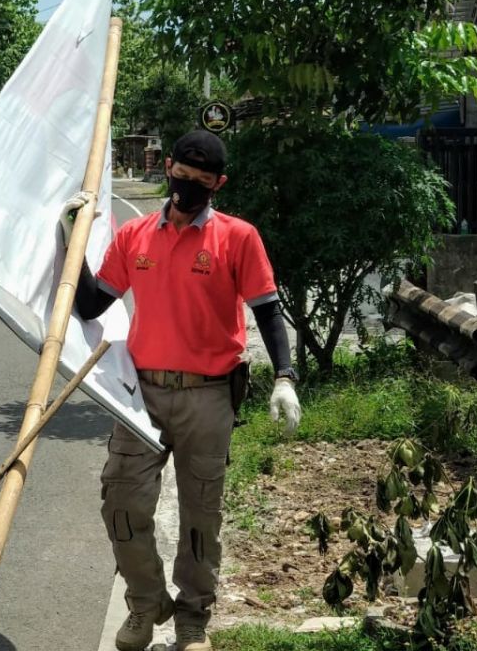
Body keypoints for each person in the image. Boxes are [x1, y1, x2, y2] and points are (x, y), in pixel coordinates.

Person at [64, 130, 301, 651]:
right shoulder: (135, 238)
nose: (185, 186)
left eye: (200, 181)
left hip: (209, 396)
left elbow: (267, 311)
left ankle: (193, 618)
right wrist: (73, 235)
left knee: (201, 514)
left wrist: (285, 376)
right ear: (168, 166)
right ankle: (147, 604)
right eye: (180, 174)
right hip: (141, 396)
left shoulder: (238, 238)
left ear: (219, 183)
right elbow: (89, 305)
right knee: (121, 505)